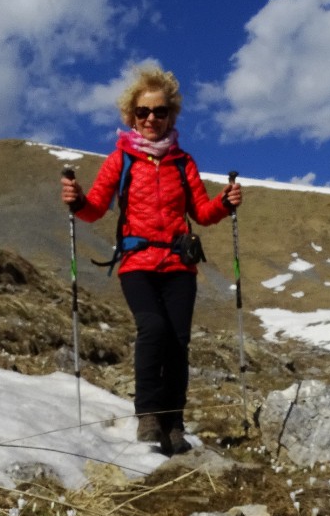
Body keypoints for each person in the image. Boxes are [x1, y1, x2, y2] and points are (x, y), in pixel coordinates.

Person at [61, 66, 242, 456]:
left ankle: (174, 423)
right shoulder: (120, 160)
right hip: (137, 263)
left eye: (159, 112)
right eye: (143, 112)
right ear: (131, 116)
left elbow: (202, 212)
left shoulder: (182, 162)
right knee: (153, 329)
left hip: (179, 265)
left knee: (178, 342)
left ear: (170, 114)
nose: (151, 119)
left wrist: (224, 204)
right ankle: (147, 415)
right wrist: (77, 201)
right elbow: (94, 209)